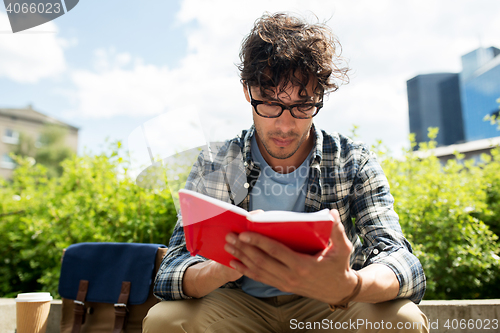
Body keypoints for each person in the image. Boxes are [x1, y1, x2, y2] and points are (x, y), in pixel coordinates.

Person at [143, 12, 428, 333]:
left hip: (329, 303)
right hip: (238, 303)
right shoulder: (217, 163)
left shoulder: (353, 159)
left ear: (320, 97)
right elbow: (170, 272)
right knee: (165, 320)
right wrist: (222, 269)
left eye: (302, 105)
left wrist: (350, 285)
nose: (284, 124)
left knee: (403, 320)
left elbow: (400, 259)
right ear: (246, 90)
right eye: (268, 103)